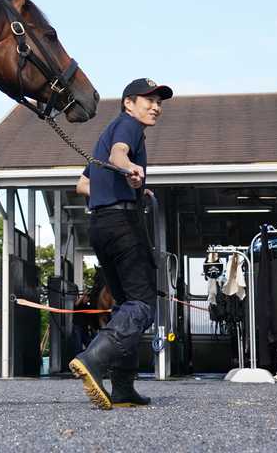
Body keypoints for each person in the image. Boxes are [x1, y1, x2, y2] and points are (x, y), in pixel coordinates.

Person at [71, 78, 172, 409]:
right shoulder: (127, 127)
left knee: (124, 303)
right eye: (149, 100)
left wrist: (131, 188)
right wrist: (130, 169)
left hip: (100, 225)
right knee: (142, 304)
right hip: (124, 225)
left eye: (159, 101)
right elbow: (119, 155)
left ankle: (124, 388)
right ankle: (94, 358)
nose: (156, 106)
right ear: (129, 103)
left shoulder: (108, 131)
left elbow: (82, 184)